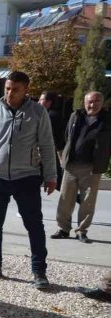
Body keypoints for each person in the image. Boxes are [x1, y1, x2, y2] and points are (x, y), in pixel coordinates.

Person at [0, 70, 57, 290]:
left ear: (26, 90)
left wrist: (51, 176)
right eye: (7, 88)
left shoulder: (38, 112)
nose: (10, 93)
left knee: (34, 225)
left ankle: (39, 271)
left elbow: (47, 145)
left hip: (27, 177)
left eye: (15, 89)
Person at [51, 91, 111, 244]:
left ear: (102, 103)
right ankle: (63, 229)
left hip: (92, 167)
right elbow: (67, 136)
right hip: (72, 165)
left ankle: (82, 231)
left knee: (88, 201)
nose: (93, 104)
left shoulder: (107, 120)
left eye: (97, 101)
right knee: (65, 199)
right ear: (85, 103)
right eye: (90, 101)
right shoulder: (76, 116)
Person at [38, 91, 66, 187]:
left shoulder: (51, 116)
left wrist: (59, 152)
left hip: (49, 151)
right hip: (50, 151)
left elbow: (55, 135)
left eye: (41, 100)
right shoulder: (52, 114)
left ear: (49, 102)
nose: (38, 102)